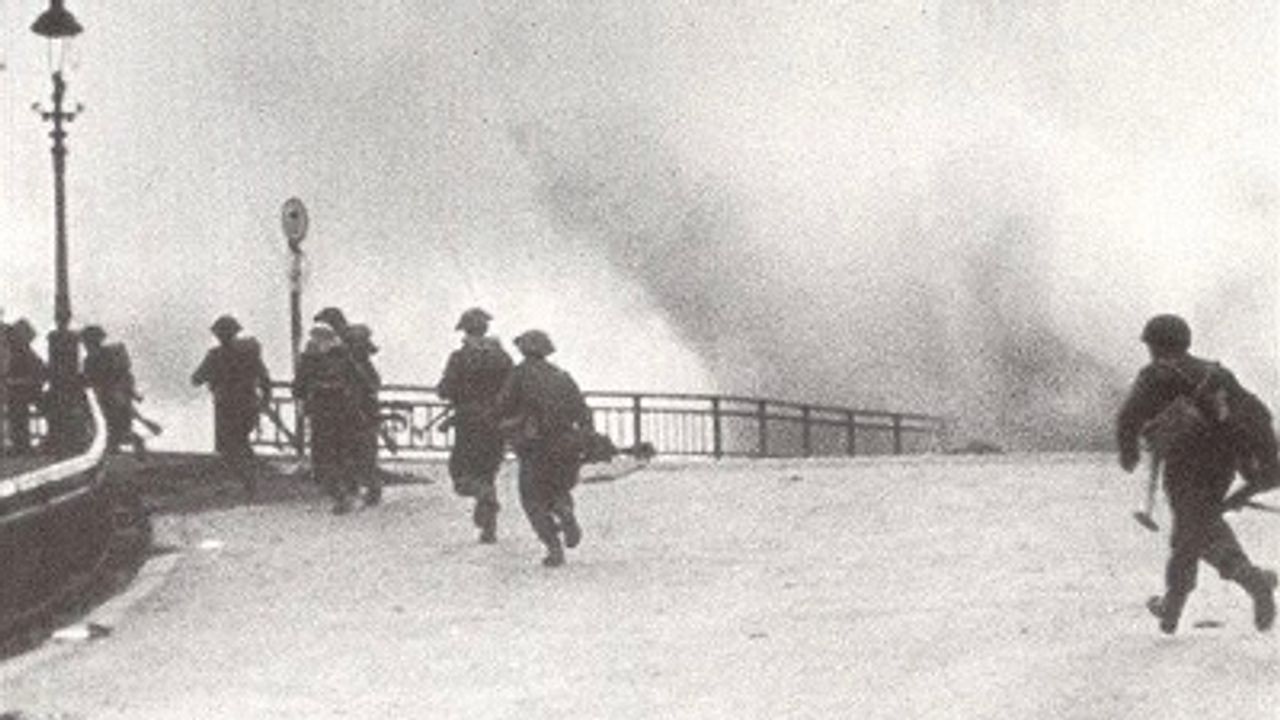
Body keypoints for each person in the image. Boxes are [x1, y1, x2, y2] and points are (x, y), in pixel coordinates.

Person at [1116, 314, 1277, 634]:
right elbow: (1256, 414)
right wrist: (1263, 468)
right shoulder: (1217, 373)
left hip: (1184, 465)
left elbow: (1128, 417)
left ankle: (1249, 581)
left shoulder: (1155, 375)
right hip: (1222, 465)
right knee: (1194, 529)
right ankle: (1173, 606)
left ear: (1155, 345)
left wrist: (1129, 453)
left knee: (1191, 533)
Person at [496, 329, 593, 567]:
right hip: (566, 444)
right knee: (559, 488)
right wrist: (584, 439)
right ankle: (564, 509)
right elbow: (583, 412)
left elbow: (502, 406)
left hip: (534, 446)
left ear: (524, 349)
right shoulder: (562, 376)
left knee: (532, 499)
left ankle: (553, 548)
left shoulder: (519, 375)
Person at [437, 307, 514, 543]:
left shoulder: (460, 358)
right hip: (496, 424)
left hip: (468, 423)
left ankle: (484, 496)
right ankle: (489, 529)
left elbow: (445, 390)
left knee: (460, 474)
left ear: (467, 331)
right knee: (487, 472)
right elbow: (513, 388)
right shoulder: (503, 357)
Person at [191, 315, 273, 497]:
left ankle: (246, 482)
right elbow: (265, 379)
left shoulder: (215, 355)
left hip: (226, 407)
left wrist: (213, 378)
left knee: (229, 446)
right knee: (241, 442)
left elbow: (196, 379)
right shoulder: (250, 354)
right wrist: (265, 401)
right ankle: (247, 482)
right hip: (248, 405)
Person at [293, 324, 362, 514]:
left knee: (329, 454)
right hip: (333, 412)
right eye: (317, 338)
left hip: (329, 412)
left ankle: (342, 494)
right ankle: (343, 493)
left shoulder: (314, 359)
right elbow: (357, 381)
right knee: (334, 453)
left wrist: (304, 399)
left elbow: (298, 387)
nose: (319, 342)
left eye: (321, 338)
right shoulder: (341, 357)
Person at [80, 325, 148, 457]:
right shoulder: (93, 359)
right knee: (113, 427)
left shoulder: (100, 358)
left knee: (114, 426)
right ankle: (122, 444)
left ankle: (125, 443)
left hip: (110, 397)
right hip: (108, 397)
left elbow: (104, 378)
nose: (85, 345)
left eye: (87, 342)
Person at [345, 323, 384, 506]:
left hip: (362, 411)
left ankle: (368, 488)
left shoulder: (359, 364)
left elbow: (373, 385)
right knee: (361, 451)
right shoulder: (360, 364)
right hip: (361, 411)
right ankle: (364, 487)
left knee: (363, 451)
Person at [6, 319, 47, 454]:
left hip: (25, 390)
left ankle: (21, 445)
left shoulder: (23, 353)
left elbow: (41, 370)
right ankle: (20, 444)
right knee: (17, 415)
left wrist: (20, 381)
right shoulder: (21, 353)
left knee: (18, 414)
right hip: (22, 389)